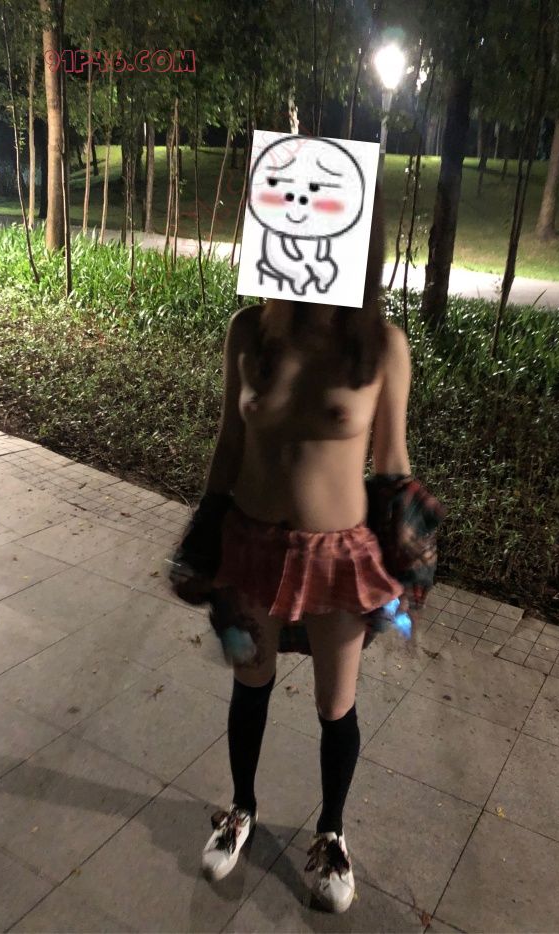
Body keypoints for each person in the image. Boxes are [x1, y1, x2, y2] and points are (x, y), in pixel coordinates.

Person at [173, 186, 415, 914]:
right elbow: (228, 442)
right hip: (250, 545)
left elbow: (391, 462)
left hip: (341, 559)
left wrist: (411, 552)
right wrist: (205, 529)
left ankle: (331, 834)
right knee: (250, 681)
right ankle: (241, 809)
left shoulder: (381, 345)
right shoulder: (249, 331)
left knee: (335, 705)